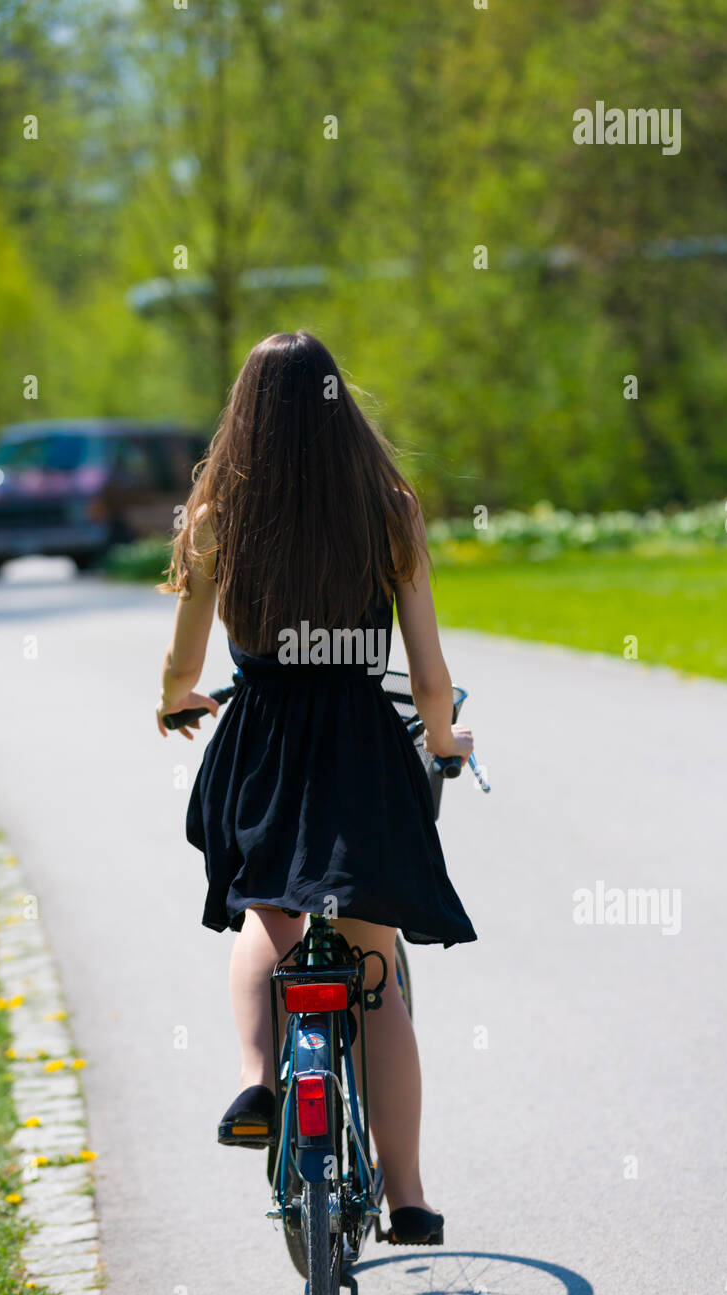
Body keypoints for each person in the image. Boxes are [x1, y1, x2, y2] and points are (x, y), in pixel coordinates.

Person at [156, 330, 476, 1246]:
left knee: (267, 915)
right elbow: (424, 671)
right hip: (358, 744)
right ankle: (409, 1195)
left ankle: (259, 1080)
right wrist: (445, 735)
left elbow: (184, 659)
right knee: (371, 964)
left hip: (261, 739)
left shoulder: (217, 514)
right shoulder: (388, 508)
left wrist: (177, 701)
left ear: (244, 413)